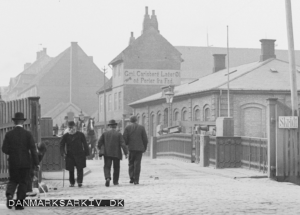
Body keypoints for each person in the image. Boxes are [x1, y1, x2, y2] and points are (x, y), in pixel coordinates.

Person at [2, 112, 39, 210]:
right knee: (23, 182)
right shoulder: (28, 134)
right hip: (25, 163)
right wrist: (36, 163)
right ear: (23, 122)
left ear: (14, 122)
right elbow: (33, 150)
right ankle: (19, 204)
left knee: (13, 180)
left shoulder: (9, 134)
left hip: (13, 162)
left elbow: (4, 149)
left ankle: (10, 195)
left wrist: (13, 152)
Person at [98, 119, 128, 187]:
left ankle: (107, 177)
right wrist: (126, 153)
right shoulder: (119, 134)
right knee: (116, 167)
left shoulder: (105, 134)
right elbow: (123, 144)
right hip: (116, 153)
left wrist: (101, 149)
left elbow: (99, 142)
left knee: (107, 166)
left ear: (109, 126)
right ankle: (115, 181)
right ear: (115, 126)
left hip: (107, 153)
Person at [60, 121, 89, 187]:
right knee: (71, 169)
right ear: (68, 128)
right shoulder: (65, 136)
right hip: (70, 155)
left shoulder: (80, 134)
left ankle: (79, 182)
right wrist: (63, 153)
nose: (71, 129)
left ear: (75, 127)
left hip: (80, 154)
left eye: (72, 127)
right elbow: (61, 145)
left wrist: (86, 153)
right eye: (69, 127)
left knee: (80, 168)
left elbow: (85, 144)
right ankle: (72, 182)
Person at [123, 115, 148, 185]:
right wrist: (144, 148)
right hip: (139, 149)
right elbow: (145, 139)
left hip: (131, 148)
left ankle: (131, 177)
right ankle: (136, 180)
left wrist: (127, 145)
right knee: (137, 164)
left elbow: (124, 138)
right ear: (136, 120)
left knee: (131, 163)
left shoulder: (127, 128)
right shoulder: (141, 127)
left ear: (130, 120)